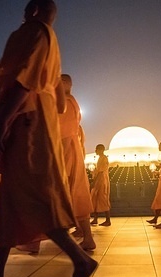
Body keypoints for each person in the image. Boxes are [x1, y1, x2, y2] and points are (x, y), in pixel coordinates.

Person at [0, 1, 97, 277]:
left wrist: (1, 124)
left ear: (33, 10)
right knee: (11, 198)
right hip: (32, 121)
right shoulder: (48, 37)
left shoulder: (36, 33)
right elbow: (54, 99)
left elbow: (24, 81)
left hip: (27, 123)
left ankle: (81, 259)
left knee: (31, 196)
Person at [59, 74, 96, 250]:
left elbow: (63, 135)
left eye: (59, 82)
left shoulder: (66, 102)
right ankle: (84, 236)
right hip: (69, 153)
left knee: (69, 194)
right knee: (73, 195)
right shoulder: (68, 102)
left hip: (65, 154)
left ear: (67, 84)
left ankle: (86, 237)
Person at [146, 141, 161, 225]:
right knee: (159, 199)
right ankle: (156, 218)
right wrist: (157, 172)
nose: (159, 147)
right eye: (159, 146)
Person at [90, 144, 111, 226]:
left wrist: (95, 181)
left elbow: (101, 172)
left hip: (102, 181)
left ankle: (108, 220)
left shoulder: (104, 158)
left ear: (101, 150)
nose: (95, 151)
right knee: (95, 198)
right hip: (98, 180)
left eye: (97, 149)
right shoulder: (99, 158)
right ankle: (95, 219)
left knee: (103, 199)